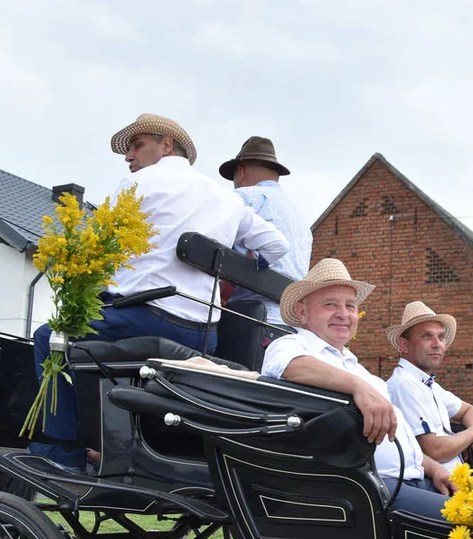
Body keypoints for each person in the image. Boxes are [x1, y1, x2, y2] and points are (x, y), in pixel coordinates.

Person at [31, 114, 289, 468]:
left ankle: (62, 450)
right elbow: (276, 246)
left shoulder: (139, 184)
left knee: (49, 336)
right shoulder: (228, 200)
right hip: (205, 336)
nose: (128, 157)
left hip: (144, 318)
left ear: (166, 145)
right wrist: (236, 261)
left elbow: (101, 253)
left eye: (137, 145)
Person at [260, 259, 455, 518]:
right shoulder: (290, 346)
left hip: (415, 480)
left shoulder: (361, 371)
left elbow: (398, 439)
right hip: (368, 488)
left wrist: (435, 469)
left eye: (350, 306)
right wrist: (357, 387)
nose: (343, 314)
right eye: (330, 304)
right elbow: (288, 365)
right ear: (302, 312)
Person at [385, 301, 473, 472]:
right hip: (433, 484)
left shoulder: (429, 385)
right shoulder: (406, 385)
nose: (437, 344)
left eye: (441, 337)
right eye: (427, 336)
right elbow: (434, 450)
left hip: (454, 480)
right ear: (404, 345)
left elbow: (470, 411)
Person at [219, 137, 313, 330]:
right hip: (291, 324)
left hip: (249, 319)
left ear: (240, 170)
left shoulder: (244, 197)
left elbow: (223, 257)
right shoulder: (300, 219)